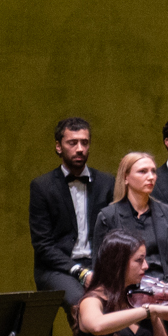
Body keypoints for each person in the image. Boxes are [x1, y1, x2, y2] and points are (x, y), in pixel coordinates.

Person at [27, 117, 106, 305]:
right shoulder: (42, 187)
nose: (80, 148)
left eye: (84, 143)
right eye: (73, 143)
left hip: (97, 264)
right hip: (57, 268)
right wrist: (80, 271)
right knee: (83, 303)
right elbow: (43, 245)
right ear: (59, 146)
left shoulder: (106, 183)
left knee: (122, 302)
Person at [91, 150, 168, 285]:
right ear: (126, 178)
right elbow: (100, 267)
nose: (151, 177)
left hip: (166, 288)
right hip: (126, 290)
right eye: (143, 171)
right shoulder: (108, 217)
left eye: (153, 171)